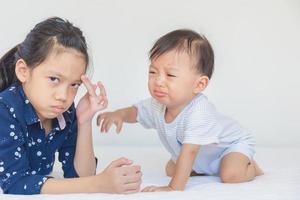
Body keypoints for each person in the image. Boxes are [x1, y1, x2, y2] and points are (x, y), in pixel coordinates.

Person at [97, 29, 263, 192]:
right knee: (171, 169)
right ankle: (204, 168)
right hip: (202, 154)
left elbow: (189, 151)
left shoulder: (199, 112)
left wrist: (173, 188)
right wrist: (118, 114)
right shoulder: (158, 104)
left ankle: (251, 167)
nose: (159, 81)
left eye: (170, 75)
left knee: (231, 175)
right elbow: (137, 112)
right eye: (153, 72)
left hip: (231, 147)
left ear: (199, 85)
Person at [0, 17, 141, 195]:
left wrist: (84, 122)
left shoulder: (64, 112)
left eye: (74, 84)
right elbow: (15, 182)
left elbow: (80, 176)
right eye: (54, 79)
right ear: (23, 71)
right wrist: (99, 184)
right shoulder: (4, 109)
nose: (63, 96)